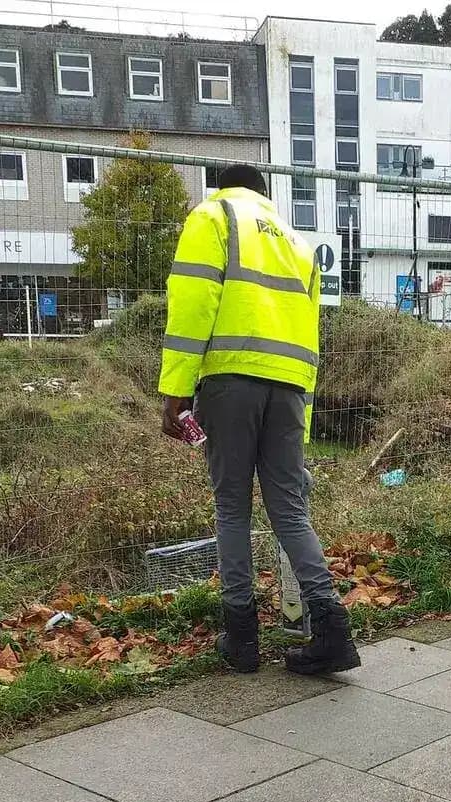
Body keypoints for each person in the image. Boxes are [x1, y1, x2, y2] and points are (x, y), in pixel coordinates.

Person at [158, 163, 360, 676]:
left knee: (232, 509)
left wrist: (175, 391)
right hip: (289, 387)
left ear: (222, 185)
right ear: (265, 193)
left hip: (230, 382)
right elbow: (311, 333)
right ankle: (332, 628)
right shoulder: (296, 242)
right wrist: (305, 413)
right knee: (290, 511)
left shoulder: (213, 216)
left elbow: (191, 306)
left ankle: (242, 637)